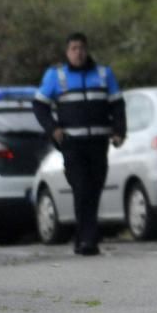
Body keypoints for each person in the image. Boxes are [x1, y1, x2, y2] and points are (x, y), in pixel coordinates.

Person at [33, 33, 126, 256]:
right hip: (72, 145)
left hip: (98, 143)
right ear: (67, 52)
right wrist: (53, 129)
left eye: (81, 48)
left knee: (94, 188)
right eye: (73, 48)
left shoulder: (104, 74)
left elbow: (118, 105)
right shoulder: (56, 76)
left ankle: (84, 236)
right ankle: (87, 239)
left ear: (87, 50)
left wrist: (119, 131)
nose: (78, 52)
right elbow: (39, 106)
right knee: (82, 187)